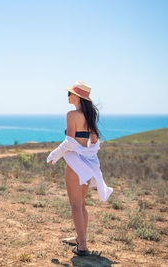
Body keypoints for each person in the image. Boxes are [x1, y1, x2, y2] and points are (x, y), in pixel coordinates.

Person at [47, 81, 113, 256]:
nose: (68, 96)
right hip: (88, 163)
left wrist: (54, 155)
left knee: (75, 205)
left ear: (77, 97)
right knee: (81, 204)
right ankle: (79, 238)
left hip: (76, 164)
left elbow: (69, 142)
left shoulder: (72, 115)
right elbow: (94, 140)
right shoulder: (89, 116)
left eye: (70, 94)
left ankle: (82, 245)